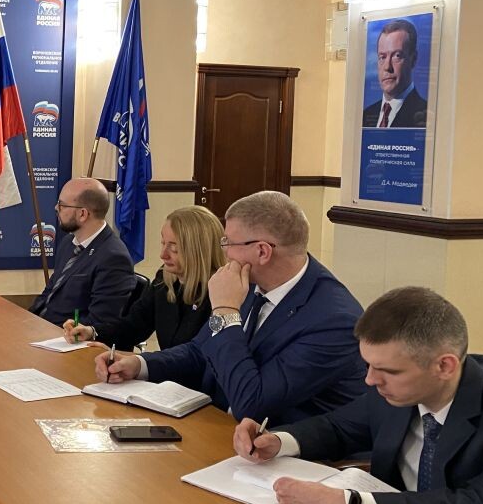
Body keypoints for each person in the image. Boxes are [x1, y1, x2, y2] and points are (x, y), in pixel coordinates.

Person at [234, 287, 483, 504]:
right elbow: (338, 427)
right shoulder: (396, 390)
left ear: (444, 366)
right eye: (368, 365)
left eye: (387, 370)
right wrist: (278, 441)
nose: (370, 380)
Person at [96, 191, 366, 424]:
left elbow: (253, 402)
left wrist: (225, 311)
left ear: (262, 251)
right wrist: (139, 364)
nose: (223, 251)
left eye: (228, 242)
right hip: (219, 428)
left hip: (286, 451)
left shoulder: (333, 320)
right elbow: (200, 350)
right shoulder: (252, 282)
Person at [64, 205, 223, 351]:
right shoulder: (164, 279)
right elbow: (133, 326)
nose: (163, 255)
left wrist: (140, 363)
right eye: (163, 243)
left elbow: (198, 357)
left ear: (199, 251)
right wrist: (92, 332)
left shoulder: (220, 293)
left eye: (174, 248)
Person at [29, 177, 135, 329]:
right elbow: (50, 292)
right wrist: (27, 320)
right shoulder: (68, 242)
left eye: (62, 205)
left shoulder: (113, 257)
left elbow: (100, 321)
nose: (56, 208)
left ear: (82, 214)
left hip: (68, 336)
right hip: (43, 328)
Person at [362, 19, 428, 129]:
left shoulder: (425, 116)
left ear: (413, 59)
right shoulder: (365, 115)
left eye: (397, 56)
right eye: (382, 57)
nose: (387, 67)